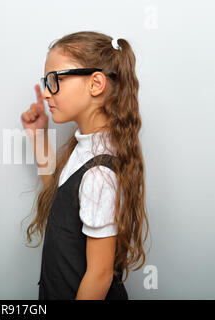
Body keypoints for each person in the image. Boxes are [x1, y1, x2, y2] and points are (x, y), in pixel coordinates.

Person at [21, 31, 149, 300]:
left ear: (96, 84)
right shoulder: (86, 147)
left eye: (55, 80)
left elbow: (99, 276)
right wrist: (38, 136)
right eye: (46, 81)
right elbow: (60, 198)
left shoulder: (100, 172)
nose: (46, 92)